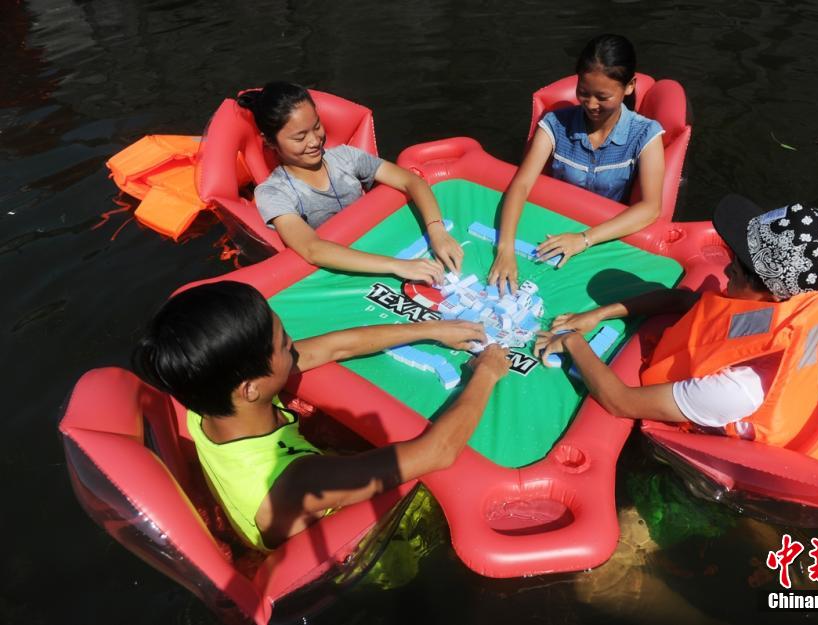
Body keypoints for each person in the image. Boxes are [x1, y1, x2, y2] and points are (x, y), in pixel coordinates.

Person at [132, 281, 509, 551]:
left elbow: (333, 347)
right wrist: (488, 372)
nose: (294, 344)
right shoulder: (295, 479)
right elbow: (437, 452)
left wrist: (432, 329)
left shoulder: (208, 403)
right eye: (283, 343)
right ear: (250, 387)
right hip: (362, 556)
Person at [535, 194, 818, 467]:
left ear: (773, 294)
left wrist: (573, 342)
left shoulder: (737, 389)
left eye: (740, 267)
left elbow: (621, 402)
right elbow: (685, 302)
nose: (728, 266)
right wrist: (600, 313)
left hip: (782, 462)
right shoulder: (783, 309)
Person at [489, 34, 666, 293]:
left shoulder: (646, 134)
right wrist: (505, 249)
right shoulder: (554, 124)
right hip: (551, 232)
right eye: (583, 93)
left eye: (603, 97)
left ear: (629, 87)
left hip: (604, 239)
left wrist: (584, 239)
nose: (591, 105)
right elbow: (522, 184)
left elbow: (651, 207)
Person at [237, 82, 463, 285]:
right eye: (300, 137)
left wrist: (437, 231)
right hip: (337, 272)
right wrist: (397, 265)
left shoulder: (346, 158)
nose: (314, 141)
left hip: (376, 243)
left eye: (317, 126)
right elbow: (312, 249)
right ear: (270, 141)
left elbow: (411, 181)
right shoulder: (274, 192)